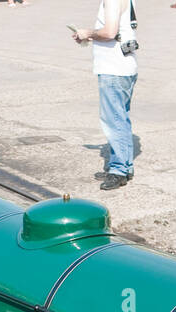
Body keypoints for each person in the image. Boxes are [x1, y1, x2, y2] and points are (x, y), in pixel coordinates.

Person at [74, 0, 137, 191]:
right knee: (121, 118)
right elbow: (118, 31)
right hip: (124, 65)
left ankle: (119, 170)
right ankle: (124, 165)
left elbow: (110, 32)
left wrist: (88, 33)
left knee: (114, 120)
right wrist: (93, 37)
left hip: (114, 68)